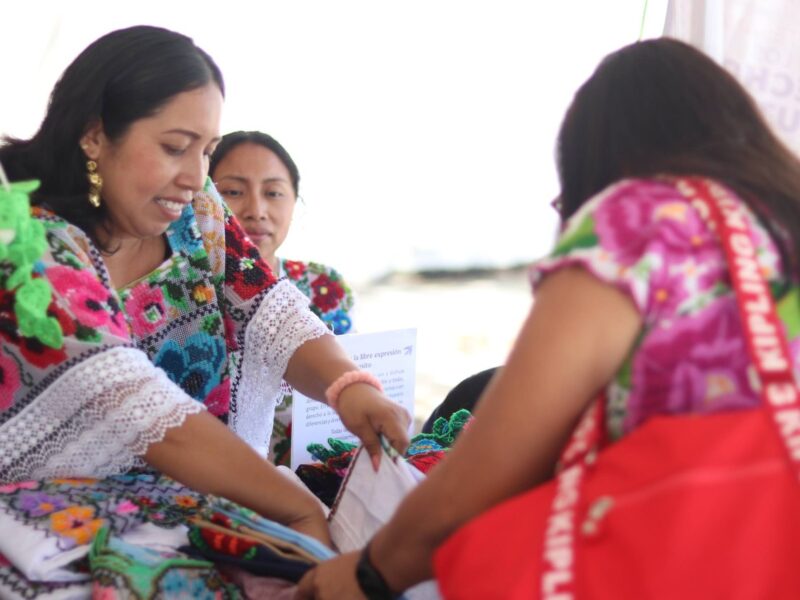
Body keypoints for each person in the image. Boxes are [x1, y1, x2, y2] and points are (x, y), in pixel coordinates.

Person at [296, 37, 800, 598]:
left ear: (598, 157)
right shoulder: (781, 222)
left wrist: (369, 572)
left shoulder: (639, 220)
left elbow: (487, 469)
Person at [0, 25, 409, 595]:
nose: (195, 177)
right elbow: (140, 408)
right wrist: (295, 509)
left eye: (206, 150)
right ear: (95, 135)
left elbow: (268, 307)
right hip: (48, 529)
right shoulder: (23, 240)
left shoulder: (197, 213)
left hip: (194, 503)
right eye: (174, 147)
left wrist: (350, 387)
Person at [209, 131, 355, 465]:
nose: (256, 210)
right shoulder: (184, 294)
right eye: (232, 192)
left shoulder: (325, 287)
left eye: (273, 193)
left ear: (294, 202)